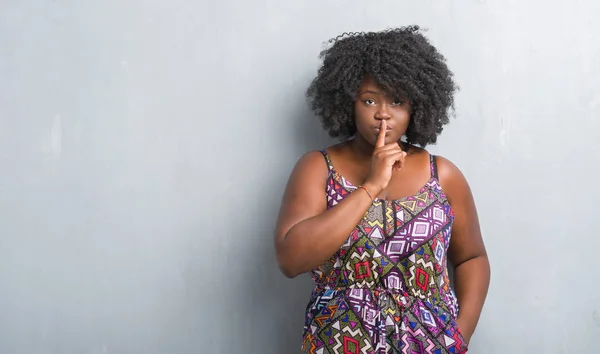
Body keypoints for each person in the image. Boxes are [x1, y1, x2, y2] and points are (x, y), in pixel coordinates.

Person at [274, 26, 490, 354]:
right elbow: (291, 260)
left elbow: (472, 257)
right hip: (337, 343)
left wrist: (460, 337)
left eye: (397, 100)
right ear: (348, 102)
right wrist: (372, 185)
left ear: (416, 106)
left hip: (428, 345)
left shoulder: (442, 175)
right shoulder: (319, 168)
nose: (383, 113)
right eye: (369, 100)